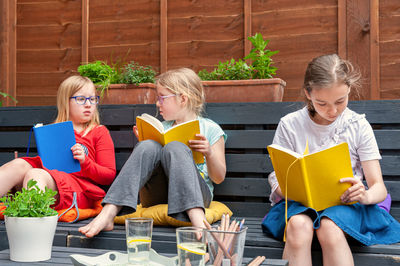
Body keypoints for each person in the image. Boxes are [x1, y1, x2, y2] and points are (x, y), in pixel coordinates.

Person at [262, 54, 400, 266]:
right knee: (298, 226)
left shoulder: (358, 125)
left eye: (340, 101)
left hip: (345, 206)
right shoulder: (290, 124)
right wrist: (286, 188)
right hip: (302, 205)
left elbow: (378, 187)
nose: (332, 111)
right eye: (322, 103)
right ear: (308, 93)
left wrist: (364, 195)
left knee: (329, 227)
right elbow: (277, 177)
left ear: (349, 90)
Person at [79, 67, 227, 237]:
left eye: (162, 98)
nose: (157, 103)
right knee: (148, 145)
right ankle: (109, 212)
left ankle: (196, 217)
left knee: (175, 147)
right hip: (157, 194)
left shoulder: (210, 129)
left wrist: (209, 153)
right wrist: (145, 144)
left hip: (198, 196)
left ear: (183, 99)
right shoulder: (161, 128)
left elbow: (218, 177)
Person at [0, 75, 116, 212]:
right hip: (52, 181)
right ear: (65, 102)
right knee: (18, 165)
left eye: (92, 99)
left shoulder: (99, 132)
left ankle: (31, 221)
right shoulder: (54, 130)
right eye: (81, 99)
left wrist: (85, 162)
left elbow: (108, 176)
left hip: (79, 190)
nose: (88, 104)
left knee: (35, 175)